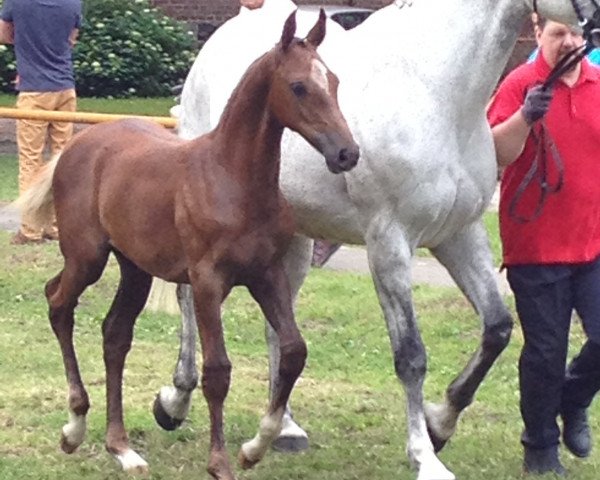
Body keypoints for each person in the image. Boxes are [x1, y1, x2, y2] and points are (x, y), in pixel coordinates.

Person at [488, 15, 600, 476]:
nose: (568, 41)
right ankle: (539, 446)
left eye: (575, 33)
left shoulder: (598, 82)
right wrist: (524, 117)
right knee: (545, 352)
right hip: (536, 248)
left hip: (593, 243)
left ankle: (572, 401)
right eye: (557, 33)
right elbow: (495, 152)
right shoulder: (520, 84)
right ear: (538, 34)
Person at [0, 0, 82, 244]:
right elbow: (71, 38)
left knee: (30, 159)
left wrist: (28, 42)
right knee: (62, 160)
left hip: (34, 89)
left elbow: (3, 34)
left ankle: (31, 229)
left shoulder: (17, 2)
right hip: (66, 88)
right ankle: (58, 226)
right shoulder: (74, 3)